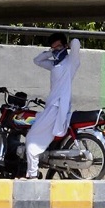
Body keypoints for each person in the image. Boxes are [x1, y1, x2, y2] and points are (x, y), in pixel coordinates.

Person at [27, 32, 81, 180]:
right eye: (53, 47)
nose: (56, 49)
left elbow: (76, 42)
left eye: (59, 46)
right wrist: (51, 52)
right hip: (51, 106)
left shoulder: (71, 62)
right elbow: (37, 60)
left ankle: (32, 173)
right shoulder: (54, 64)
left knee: (32, 138)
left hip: (57, 107)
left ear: (64, 45)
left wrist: (69, 45)